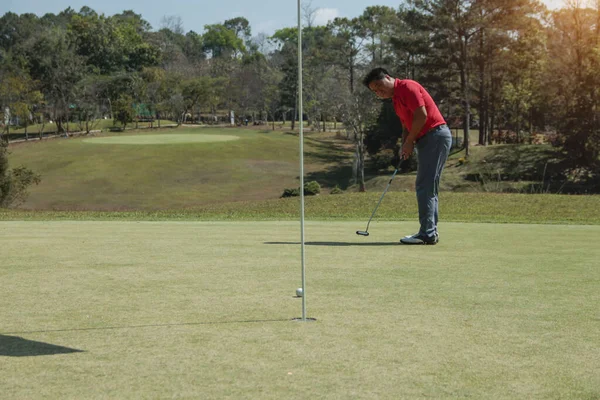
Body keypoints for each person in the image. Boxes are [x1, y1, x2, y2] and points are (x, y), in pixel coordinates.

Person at [363, 68, 452, 245]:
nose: (380, 92)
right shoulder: (396, 100)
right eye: (376, 91)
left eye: (380, 86)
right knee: (427, 185)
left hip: (435, 135)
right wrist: (405, 144)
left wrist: (410, 141)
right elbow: (406, 124)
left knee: (425, 185)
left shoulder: (407, 87)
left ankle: (427, 233)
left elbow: (421, 116)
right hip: (426, 139)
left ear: (388, 78)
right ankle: (430, 231)